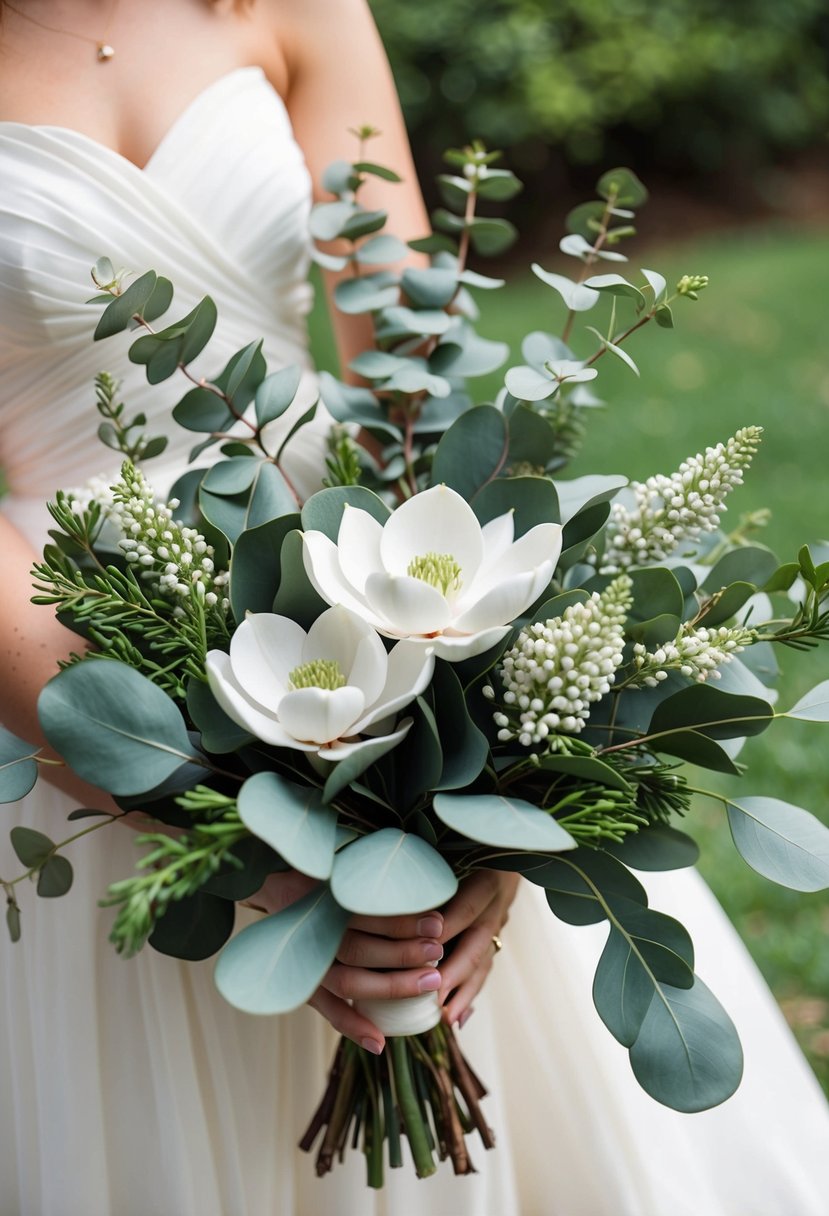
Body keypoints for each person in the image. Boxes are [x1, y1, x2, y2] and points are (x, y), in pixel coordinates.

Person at [0, 3, 827, 1214]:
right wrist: (233, 841)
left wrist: (482, 828)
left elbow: (410, 371)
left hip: (378, 569)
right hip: (78, 639)